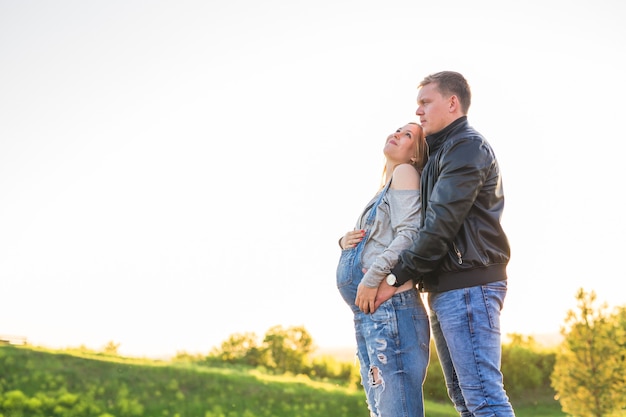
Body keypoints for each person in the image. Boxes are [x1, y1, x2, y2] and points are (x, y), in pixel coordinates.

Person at [372, 71, 516, 416]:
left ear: (452, 103)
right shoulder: (440, 152)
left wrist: (394, 278)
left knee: (483, 398)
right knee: (466, 401)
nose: (418, 111)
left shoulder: (466, 147)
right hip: (447, 287)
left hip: (469, 285)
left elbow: (440, 225)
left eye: (426, 102)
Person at [336, 122, 430, 417]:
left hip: (392, 311)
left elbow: (409, 234)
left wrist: (372, 278)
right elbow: (377, 238)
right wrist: (344, 242)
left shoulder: (405, 173)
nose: (396, 134)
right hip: (373, 317)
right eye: (398, 130)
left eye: (407, 136)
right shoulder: (386, 187)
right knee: (381, 411)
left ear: (415, 155)